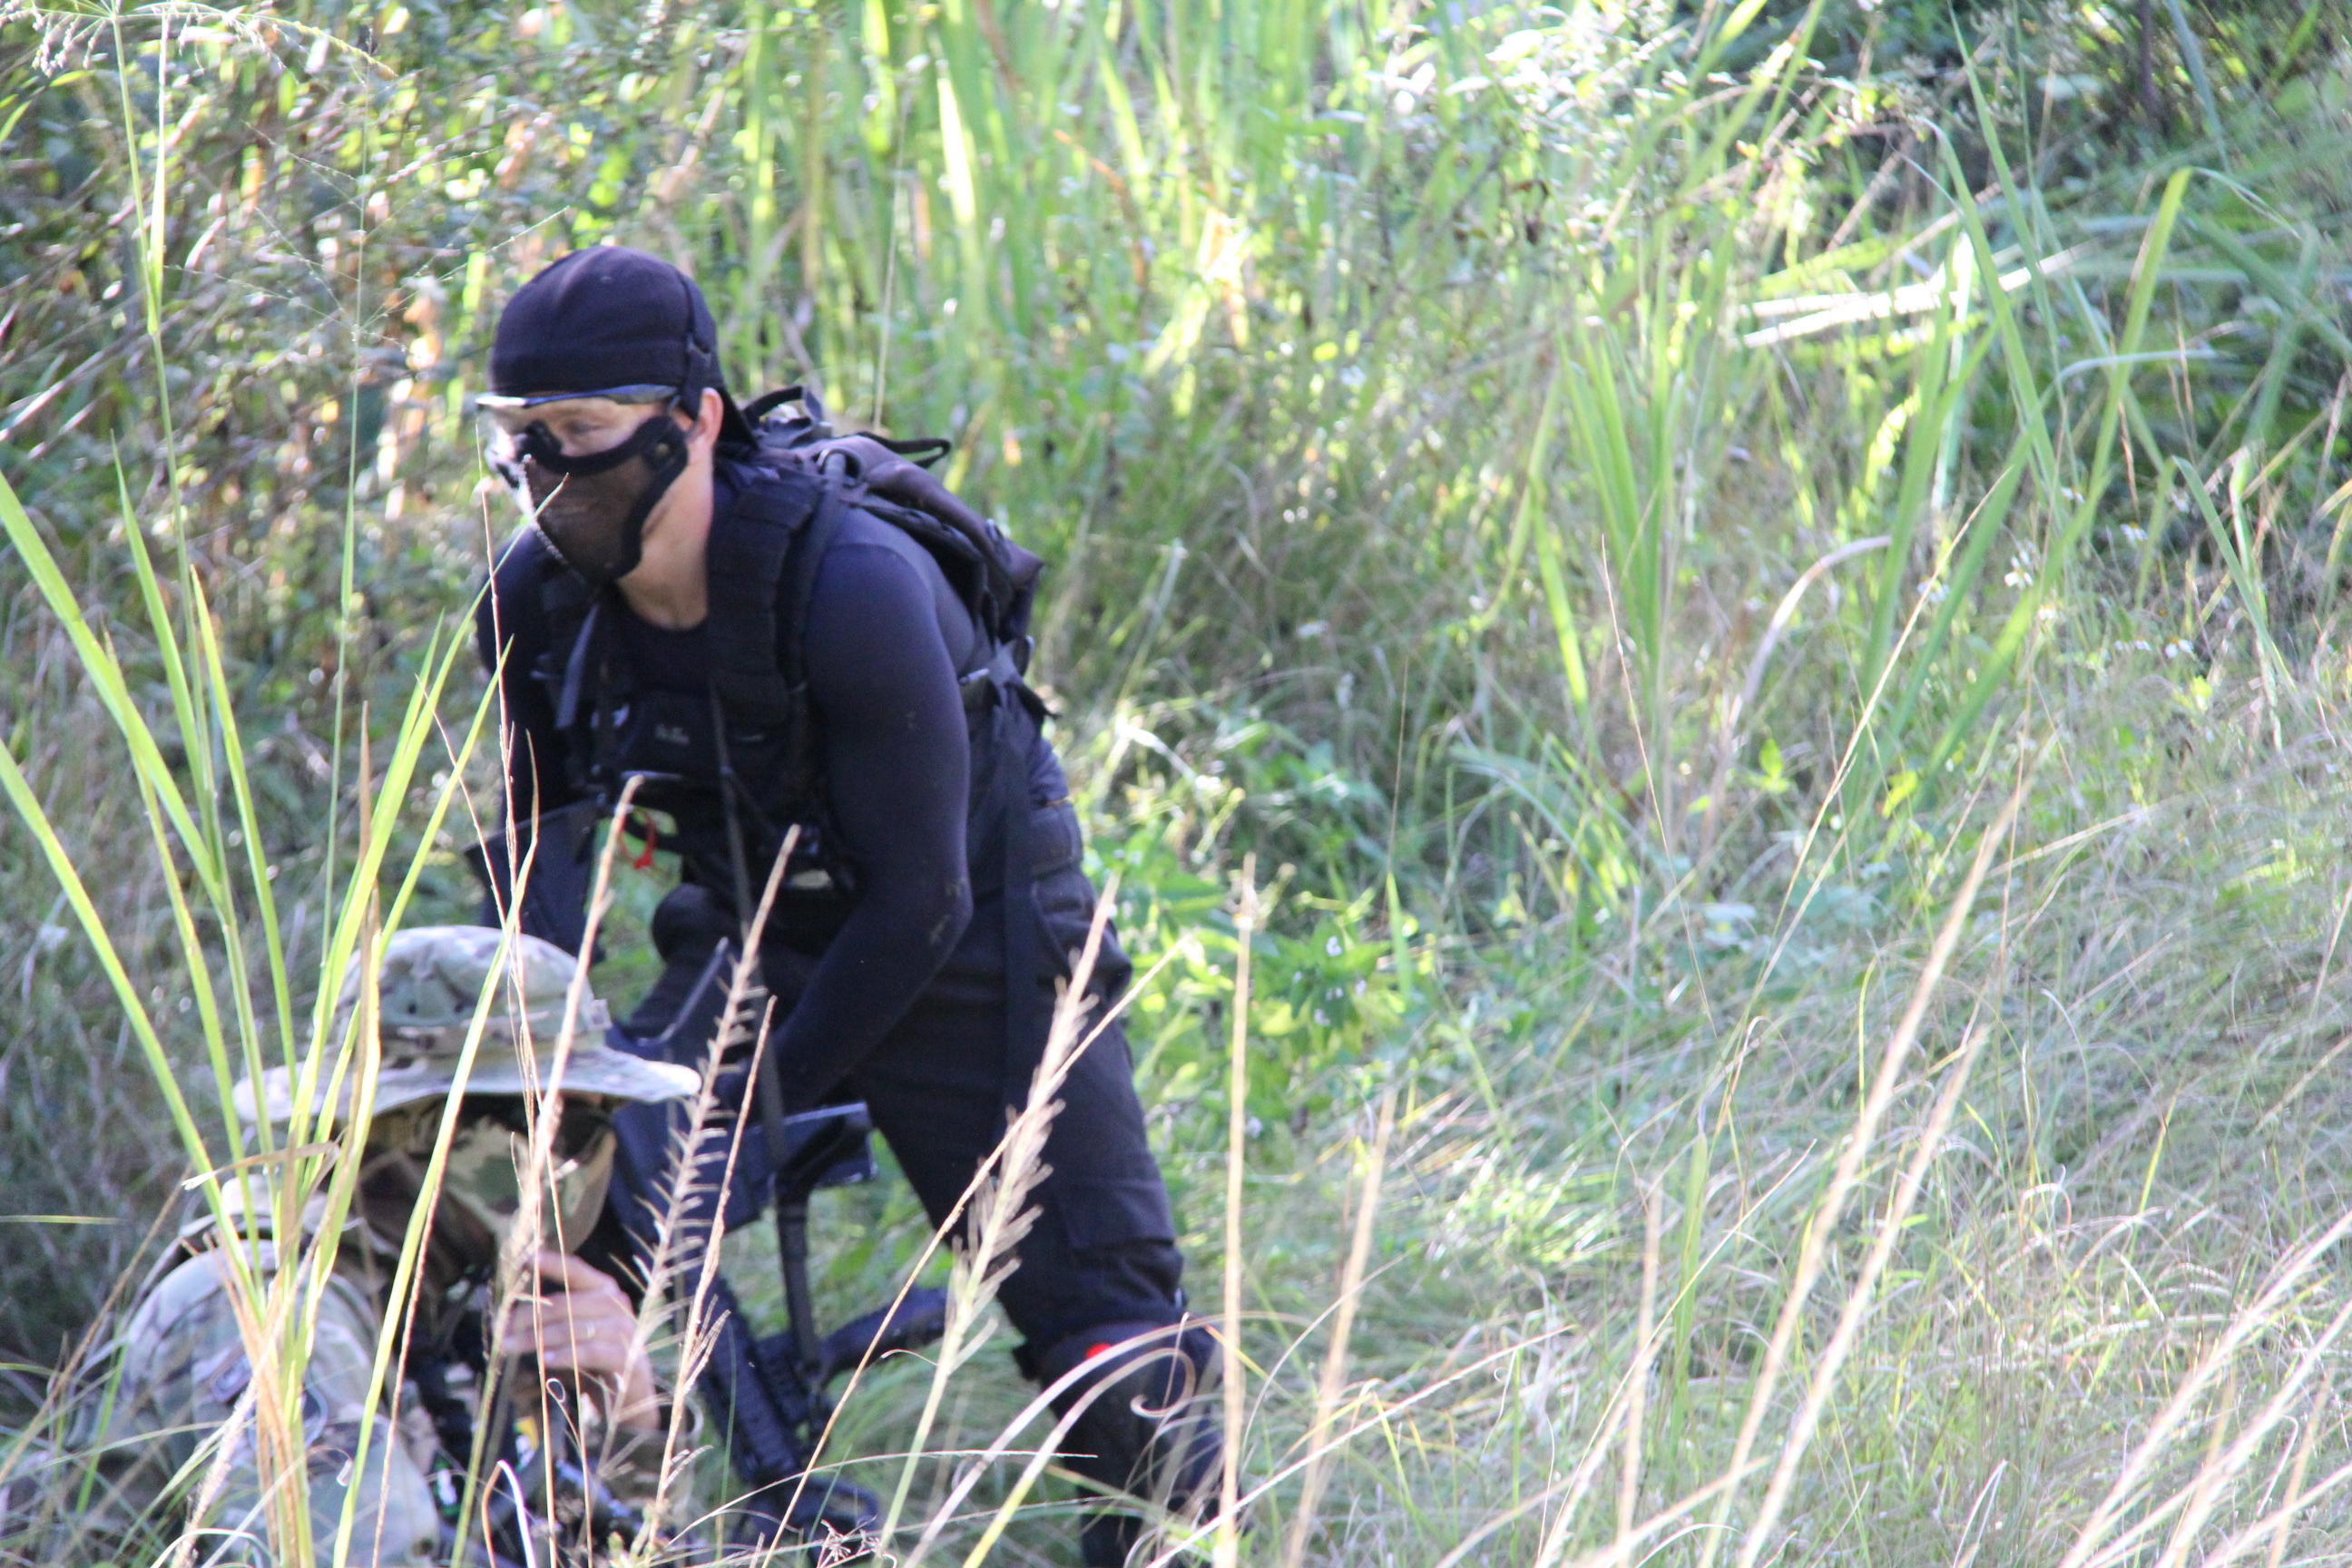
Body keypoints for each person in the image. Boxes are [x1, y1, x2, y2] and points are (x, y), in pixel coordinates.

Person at [471, 244, 1220, 1563]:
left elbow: (922, 902)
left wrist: (745, 1127)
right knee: (564, 1230)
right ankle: (597, 1519)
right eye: (520, 438)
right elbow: (540, 856)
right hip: (754, 932)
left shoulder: (851, 586)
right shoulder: (538, 607)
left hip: (979, 931)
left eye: (581, 435)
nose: (548, 472)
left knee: (1115, 1356)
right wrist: (560, 1086)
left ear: (695, 423)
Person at [54, 926, 701, 1567]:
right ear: (422, 1129)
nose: (581, 1162)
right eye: (567, 1126)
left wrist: (631, 1426)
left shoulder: (437, 1319)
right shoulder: (272, 1312)